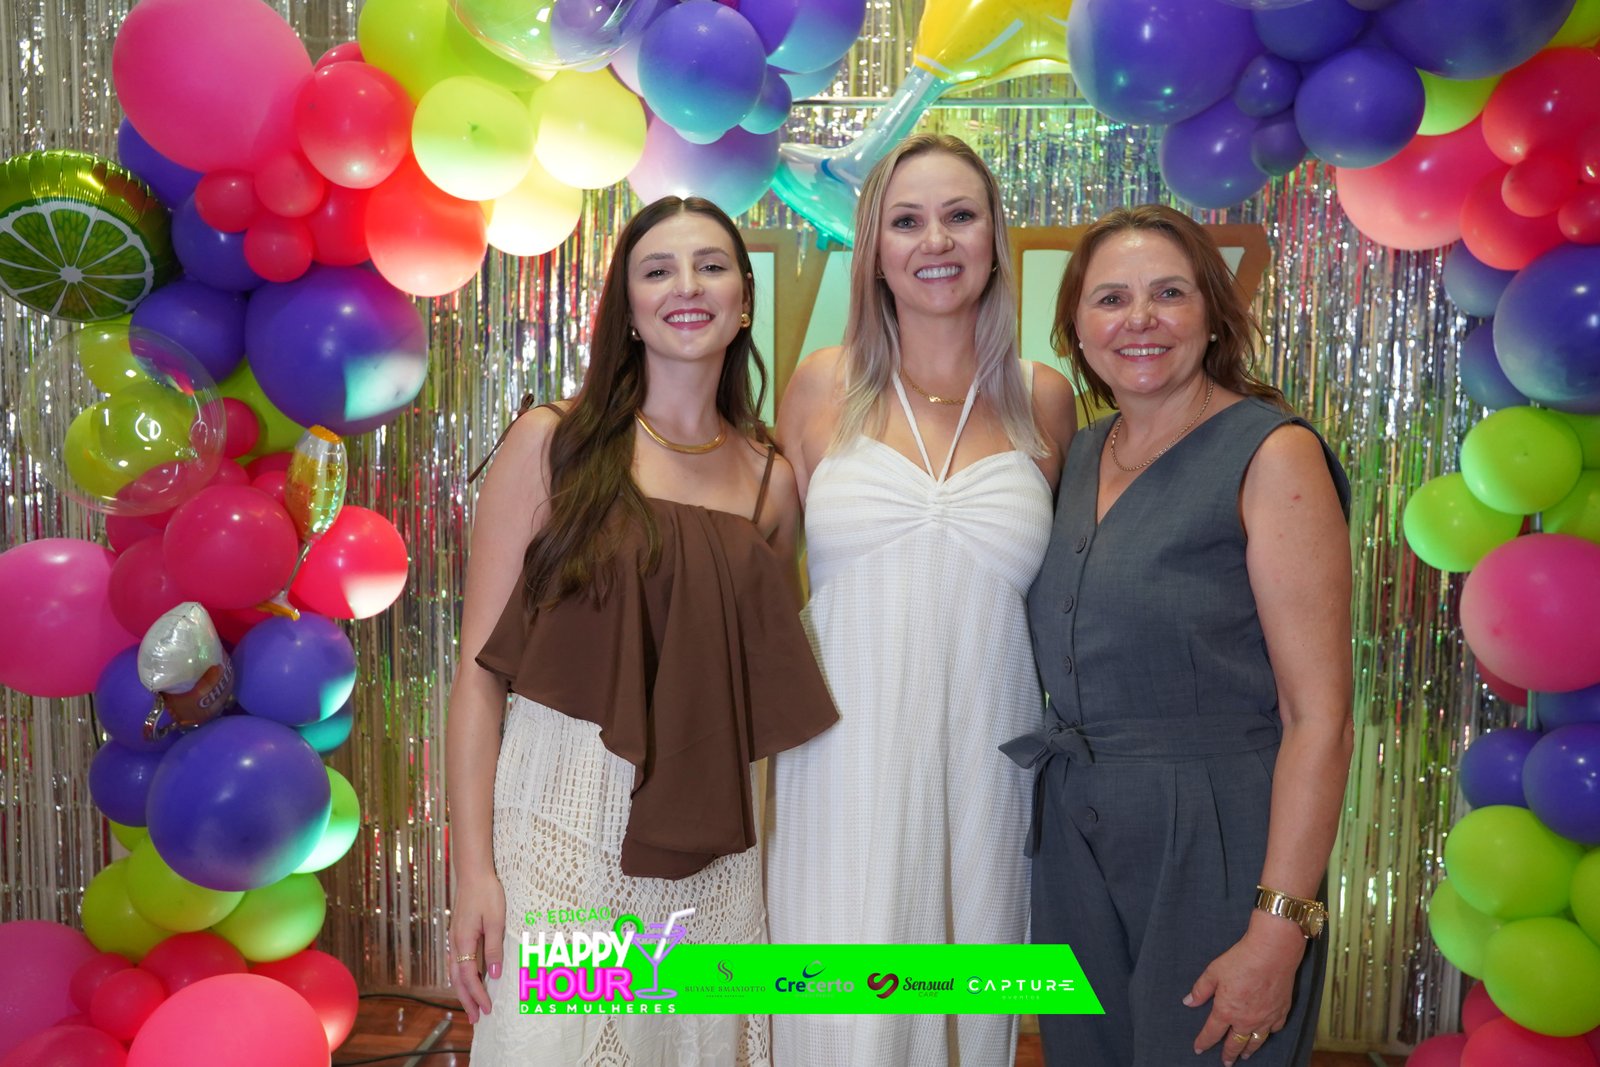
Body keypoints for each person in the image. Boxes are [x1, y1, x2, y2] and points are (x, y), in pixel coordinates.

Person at [446, 196, 839, 1066]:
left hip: (715, 854)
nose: (686, 286)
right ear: (627, 308)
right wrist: (473, 870)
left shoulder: (772, 479)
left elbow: (750, 680)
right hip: (560, 832)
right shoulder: (551, 443)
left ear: (744, 301)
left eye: (711, 266)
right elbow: (478, 675)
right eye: (658, 270)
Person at [1007, 204, 1354, 1067]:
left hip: (1217, 838)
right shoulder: (1080, 453)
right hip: (1076, 837)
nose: (1141, 319)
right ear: (1076, 328)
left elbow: (1319, 717)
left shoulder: (1272, 454)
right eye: (1111, 298)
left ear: (1212, 315)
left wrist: (1278, 928)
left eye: (1169, 293)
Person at [767, 132, 1079, 1066]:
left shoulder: (1044, 398)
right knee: (840, 1018)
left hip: (988, 757)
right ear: (873, 248)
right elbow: (759, 578)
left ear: (993, 238)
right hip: (837, 757)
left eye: (959, 215)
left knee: (963, 1013)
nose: (935, 240)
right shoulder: (822, 385)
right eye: (906, 220)